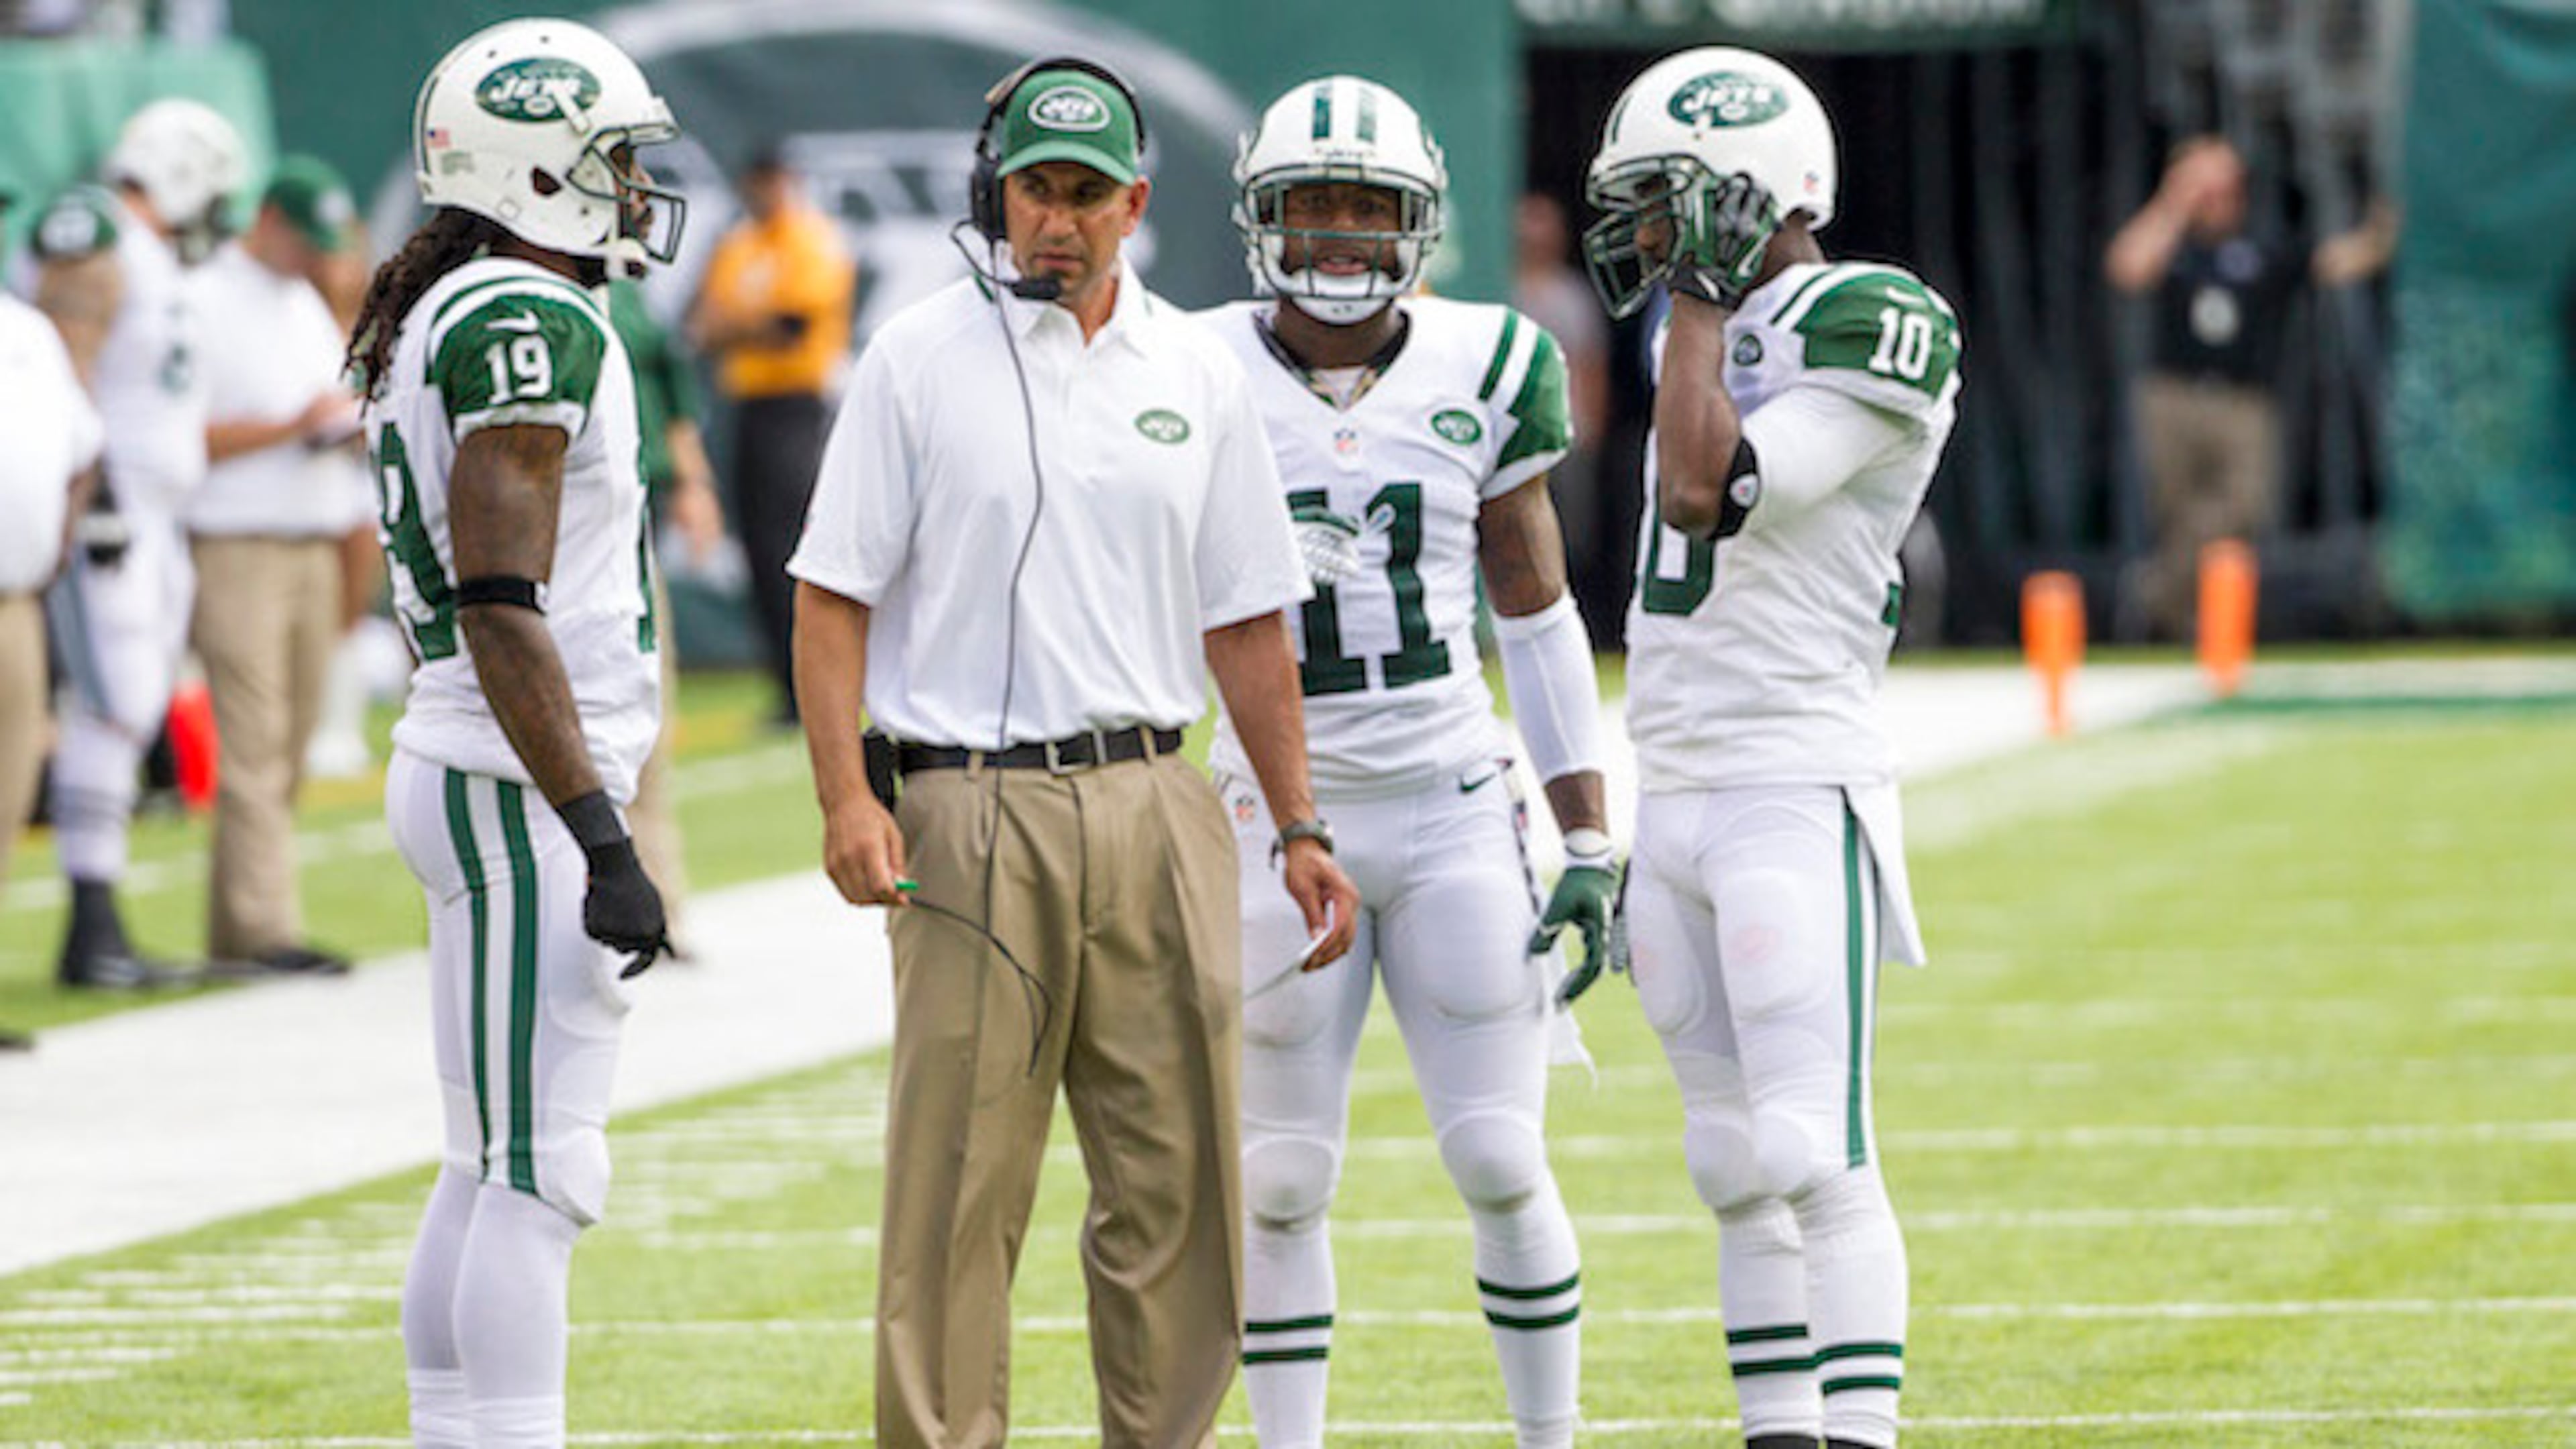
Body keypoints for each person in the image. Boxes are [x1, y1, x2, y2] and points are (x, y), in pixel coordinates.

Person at [788, 57, 1360, 1449]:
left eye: (1088, 193)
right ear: (996, 197)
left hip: (1160, 796)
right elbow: (830, 596)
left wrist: (1296, 823)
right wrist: (845, 800)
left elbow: (1247, 619)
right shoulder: (917, 357)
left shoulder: (1200, 373)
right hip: (967, 806)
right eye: (1037, 190)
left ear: (1136, 203)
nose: (1061, 220)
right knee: (958, 1191)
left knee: (1177, 1183)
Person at [1203, 77, 1613, 1449]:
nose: (1336, 233)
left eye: (1368, 208)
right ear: (1259, 214)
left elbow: (1534, 606)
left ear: (1420, 223)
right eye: (1311, 204)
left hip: (1446, 801)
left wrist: (1592, 836)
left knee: (1501, 1156)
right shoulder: (1190, 367)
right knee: (1274, 1180)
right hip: (1265, 808)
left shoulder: (1491, 361)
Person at [1575, 47, 1961, 1449]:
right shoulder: (1697, 323)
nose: (1646, 236)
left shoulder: (1872, 314)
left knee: (1814, 1150)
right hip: (1674, 782)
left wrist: (1696, 303)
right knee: (1729, 1164)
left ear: (1752, 191)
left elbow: (1702, 491)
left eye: (1666, 203)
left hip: (1792, 782)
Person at [343, 19, 682, 1445]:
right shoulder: (522, 318)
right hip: (511, 780)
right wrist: (601, 829)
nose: (630, 181)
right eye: (608, 155)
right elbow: (499, 598)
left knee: (493, 1167)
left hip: (483, 771)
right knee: (543, 1174)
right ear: (535, 167)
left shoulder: (477, 303)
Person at [34, 96, 248, 989]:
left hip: (157, 511)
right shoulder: (95, 228)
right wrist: (96, 493)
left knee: (139, 696)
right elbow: (65, 354)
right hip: (108, 506)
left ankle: (102, 917)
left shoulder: (150, 246)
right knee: (114, 700)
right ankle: (91, 920)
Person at [185, 155, 370, 975]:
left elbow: (321, 409)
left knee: (293, 734)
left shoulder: (300, 301)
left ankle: (239, 925)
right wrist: (289, 429)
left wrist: (336, 425)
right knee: (255, 735)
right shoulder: (198, 302)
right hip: (239, 539)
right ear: (267, 220)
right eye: (305, 239)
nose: (315, 258)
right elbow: (179, 437)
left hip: (312, 534)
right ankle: (265, 927)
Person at [2102, 137, 2298, 641]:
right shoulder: (2176, 244)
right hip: (2174, 396)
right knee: (2178, 509)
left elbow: (2324, 261)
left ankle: (2156, 590)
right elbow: (2127, 267)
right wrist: (2177, 199)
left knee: (2242, 506)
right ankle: (2191, 625)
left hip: (2241, 399)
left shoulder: (2259, 244)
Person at [687, 147, 853, 724]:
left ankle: (819, 685)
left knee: (792, 543)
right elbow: (700, 326)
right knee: (759, 549)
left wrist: (735, 325)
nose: (765, 193)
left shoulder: (810, 240)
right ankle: (787, 687)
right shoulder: (739, 246)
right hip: (749, 403)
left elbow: (792, 328)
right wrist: (740, 327)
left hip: (798, 404)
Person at [2, 178, 107, 1051]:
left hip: (17, 598)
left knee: (6, 800)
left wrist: (57, 532)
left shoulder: (27, 332)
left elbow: (81, 445)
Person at [607, 275, 725, 954]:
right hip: (547, 533)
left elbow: (670, 388)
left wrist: (692, 480)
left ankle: (656, 905)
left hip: (629, 522)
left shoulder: (622, 290)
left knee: (646, 722)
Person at [1511, 192, 1615, 625]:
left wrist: (1588, 434)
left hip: (1565, 442)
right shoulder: (1501, 287)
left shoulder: (1572, 296)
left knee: (1567, 538)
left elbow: (1592, 368)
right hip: (1512, 442)